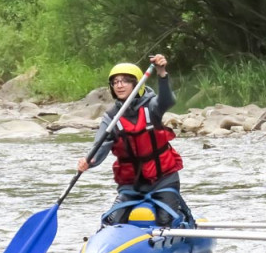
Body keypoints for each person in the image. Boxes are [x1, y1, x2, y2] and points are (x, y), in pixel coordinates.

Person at [77, 54, 194, 228]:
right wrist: (89, 161)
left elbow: (167, 100)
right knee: (112, 222)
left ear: (136, 84)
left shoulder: (151, 106)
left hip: (163, 179)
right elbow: (100, 145)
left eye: (125, 81)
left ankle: (182, 217)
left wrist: (162, 73)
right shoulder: (111, 117)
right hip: (131, 185)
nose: (119, 85)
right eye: (115, 82)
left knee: (165, 221)